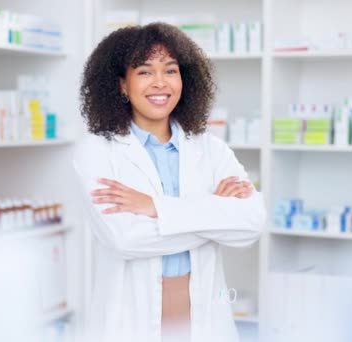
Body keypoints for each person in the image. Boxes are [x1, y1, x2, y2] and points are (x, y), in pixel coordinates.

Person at [74, 22, 266, 342]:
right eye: (145, 72)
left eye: (171, 70)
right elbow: (125, 240)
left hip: (204, 303)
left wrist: (156, 208)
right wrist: (215, 212)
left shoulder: (210, 148)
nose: (160, 83)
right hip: (130, 312)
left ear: (184, 79)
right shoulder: (96, 151)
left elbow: (251, 224)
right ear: (122, 85)